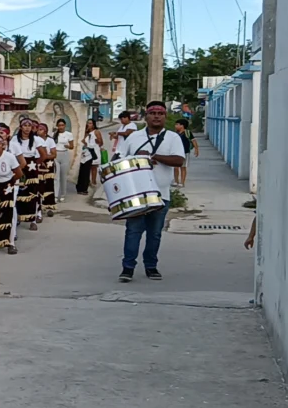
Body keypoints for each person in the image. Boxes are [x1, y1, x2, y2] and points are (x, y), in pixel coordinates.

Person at [116, 101, 185, 282]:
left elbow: (179, 161)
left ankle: (151, 266)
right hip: (136, 193)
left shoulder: (172, 138)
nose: (156, 116)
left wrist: (154, 157)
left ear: (165, 117)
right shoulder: (134, 137)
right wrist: (138, 160)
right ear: (145, 116)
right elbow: (119, 158)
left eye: (160, 113)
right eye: (152, 113)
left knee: (155, 233)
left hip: (161, 193)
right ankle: (127, 268)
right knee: (133, 231)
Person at [9, 118, 48, 231]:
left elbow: (43, 155)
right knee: (19, 193)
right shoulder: (14, 140)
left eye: (29, 126)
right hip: (18, 166)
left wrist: (35, 163)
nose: (27, 128)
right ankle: (18, 217)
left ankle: (33, 219)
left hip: (31, 168)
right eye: (24, 125)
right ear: (20, 127)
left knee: (32, 194)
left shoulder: (36, 140)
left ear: (32, 128)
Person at [76, 119, 103, 195]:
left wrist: (96, 141)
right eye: (88, 123)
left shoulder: (96, 132)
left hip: (94, 151)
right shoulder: (86, 133)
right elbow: (82, 141)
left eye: (90, 123)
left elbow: (101, 142)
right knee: (85, 169)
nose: (89, 124)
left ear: (93, 124)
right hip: (86, 152)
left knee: (94, 167)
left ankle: (93, 182)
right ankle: (85, 184)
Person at [36, 123, 57, 217]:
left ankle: (49, 206)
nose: (38, 131)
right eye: (38, 129)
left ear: (45, 131)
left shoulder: (50, 140)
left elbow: (54, 154)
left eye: (41, 129)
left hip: (48, 164)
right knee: (39, 185)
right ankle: (39, 206)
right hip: (38, 163)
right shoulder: (35, 140)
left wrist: (45, 157)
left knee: (48, 184)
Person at [52, 119, 74, 202]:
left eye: (62, 125)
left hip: (64, 154)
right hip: (56, 155)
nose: (61, 127)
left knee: (63, 176)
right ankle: (55, 195)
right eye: (59, 125)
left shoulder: (69, 134)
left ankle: (63, 194)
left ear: (65, 126)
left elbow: (72, 146)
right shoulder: (53, 134)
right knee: (56, 176)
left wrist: (67, 146)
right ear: (57, 126)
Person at [174, 118, 199, 187]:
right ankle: (176, 181)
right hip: (175, 152)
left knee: (183, 167)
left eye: (177, 124)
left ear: (182, 125)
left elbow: (193, 141)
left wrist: (196, 150)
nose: (175, 126)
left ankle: (182, 182)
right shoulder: (175, 133)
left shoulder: (187, 133)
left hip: (185, 152)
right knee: (175, 167)